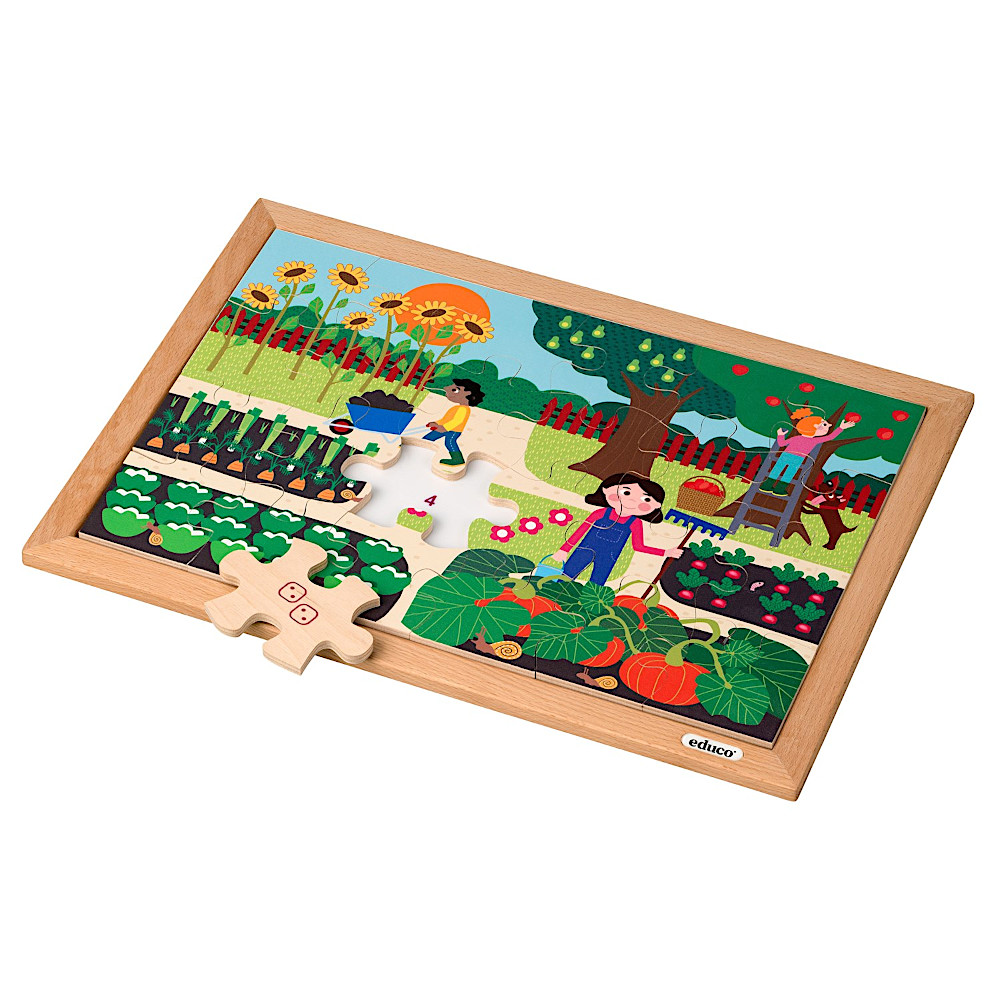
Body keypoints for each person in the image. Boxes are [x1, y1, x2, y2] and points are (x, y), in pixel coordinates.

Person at [550, 473, 683, 587]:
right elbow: (580, 530)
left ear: (656, 506)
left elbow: (638, 546)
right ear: (606, 490)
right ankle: (552, 597)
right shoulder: (601, 513)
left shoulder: (635, 522)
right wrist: (564, 549)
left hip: (608, 557)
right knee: (566, 576)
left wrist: (665, 552)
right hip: (583, 550)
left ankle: (587, 606)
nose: (632, 501)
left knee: (596, 586)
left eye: (646, 499)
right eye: (626, 492)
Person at [759, 408, 856, 496]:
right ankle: (768, 486)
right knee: (780, 471)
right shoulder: (802, 438)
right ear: (814, 426)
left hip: (794, 457)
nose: (829, 426)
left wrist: (841, 428)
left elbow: (830, 437)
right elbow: (782, 443)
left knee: (787, 473)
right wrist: (780, 435)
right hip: (790, 456)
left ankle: (777, 488)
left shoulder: (811, 440)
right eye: (825, 424)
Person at [423, 379, 484, 467]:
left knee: (449, 442)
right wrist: (436, 423)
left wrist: (444, 428)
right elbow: (445, 419)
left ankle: (458, 459)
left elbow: (457, 421)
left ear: (468, 393)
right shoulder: (456, 408)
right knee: (429, 437)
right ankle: (422, 448)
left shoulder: (463, 409)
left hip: (453, 430)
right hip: (444, 428)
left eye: (455, 390)